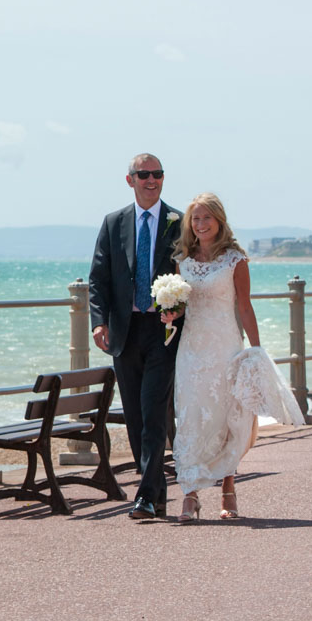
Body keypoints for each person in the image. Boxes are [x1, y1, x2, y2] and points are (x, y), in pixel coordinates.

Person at [162, 193, 307, 522]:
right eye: (195, 219)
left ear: (219, 220)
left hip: (226, 346)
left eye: (206, 218)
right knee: (190, 418)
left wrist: (254, 351)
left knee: (229, 417)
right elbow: (183, 304)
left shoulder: (235, 260)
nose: (200, 225)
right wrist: (169, 312)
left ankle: (228, 486)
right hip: (192, 349)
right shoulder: (182, 259)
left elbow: (244, 306)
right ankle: (190, 495)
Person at [88, 153, 183, 521]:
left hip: (164, 329)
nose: (151, 180)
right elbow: (98, 278)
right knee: (135, 416)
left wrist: (182, 308)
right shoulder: (114, 223)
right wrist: (99, 322)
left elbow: (190, 272)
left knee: (154, 411)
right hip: (125, 331)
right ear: (130, 180)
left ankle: (144, 496)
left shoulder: (178, 222)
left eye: (157, 174)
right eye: (144, 174)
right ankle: (156, 494)